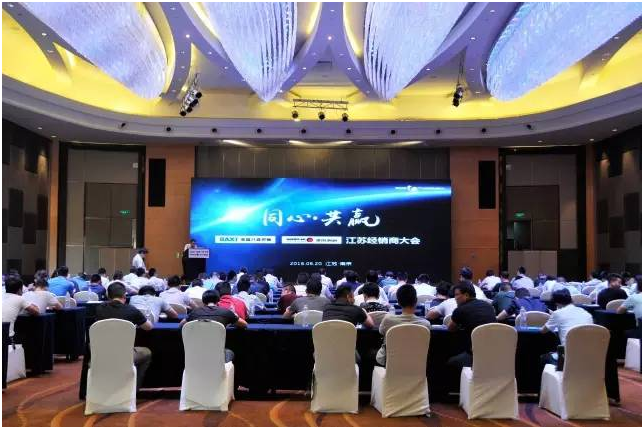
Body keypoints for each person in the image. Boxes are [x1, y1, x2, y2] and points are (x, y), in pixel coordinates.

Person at [95, 282, 152, 389]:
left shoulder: (99, 309)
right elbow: (148, 327)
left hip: (101, 354)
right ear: (124, 295)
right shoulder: (132, 310)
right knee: (147, 353)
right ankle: (132, 389)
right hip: (125, 355)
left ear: (108, 296)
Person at [180, 290, 247, 362]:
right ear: (218, 300)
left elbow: (181, 325)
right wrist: (233, 317)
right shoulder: (226, 312)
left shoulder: (195, 312)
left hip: (195, 353)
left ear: (203, 301)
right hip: (218, 353)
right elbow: (244, 324)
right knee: (229, 352)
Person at [376, 284, 431, 366]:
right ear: (416, 301)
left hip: (389, 364)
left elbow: (381, 332)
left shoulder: (388, 320)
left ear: (398, 302)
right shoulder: (426, 324)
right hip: (416, 365)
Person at [446, 281, 496, 370]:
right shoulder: (488, 306)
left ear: (466, 295)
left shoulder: (461, 310)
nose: (455, 298)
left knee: (450, 362)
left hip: (474, 356)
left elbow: (450, 328)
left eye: (457, 295)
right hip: (494, 353)